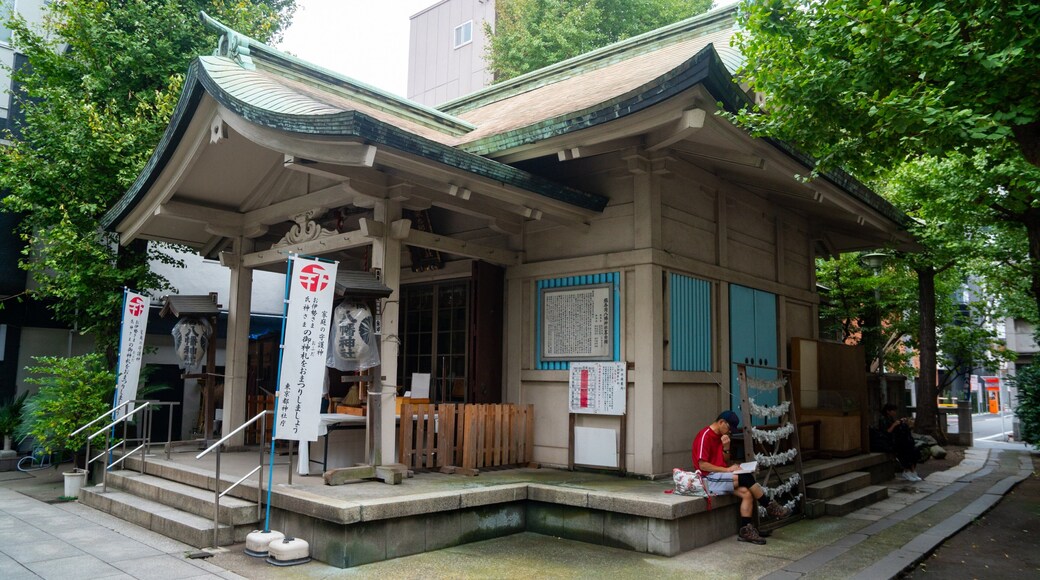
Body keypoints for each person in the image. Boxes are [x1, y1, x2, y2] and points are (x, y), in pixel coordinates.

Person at [692, 410, 791, 545]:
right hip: (707, 478)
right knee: (745, 477)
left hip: (719, 475)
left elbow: (725, 460)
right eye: (729, 428)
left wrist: (726, 447)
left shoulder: (721, 436)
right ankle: (769, 505)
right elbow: (702, 465)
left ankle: (746, 531)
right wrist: (727, 470)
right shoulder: (705, 435)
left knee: (747, 493)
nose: (729, 432)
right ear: (721, 422)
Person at [880, 403, 920, 481]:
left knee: (913, 450)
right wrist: (894, 424)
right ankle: (906, 471)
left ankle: (912, 470)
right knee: (904, 450)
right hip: (889, 441)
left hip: (897, 439)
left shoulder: (891, 418)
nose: (895, 412)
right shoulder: (883, 419)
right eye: (893, 411)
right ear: (888, 411)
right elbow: (887, 432)